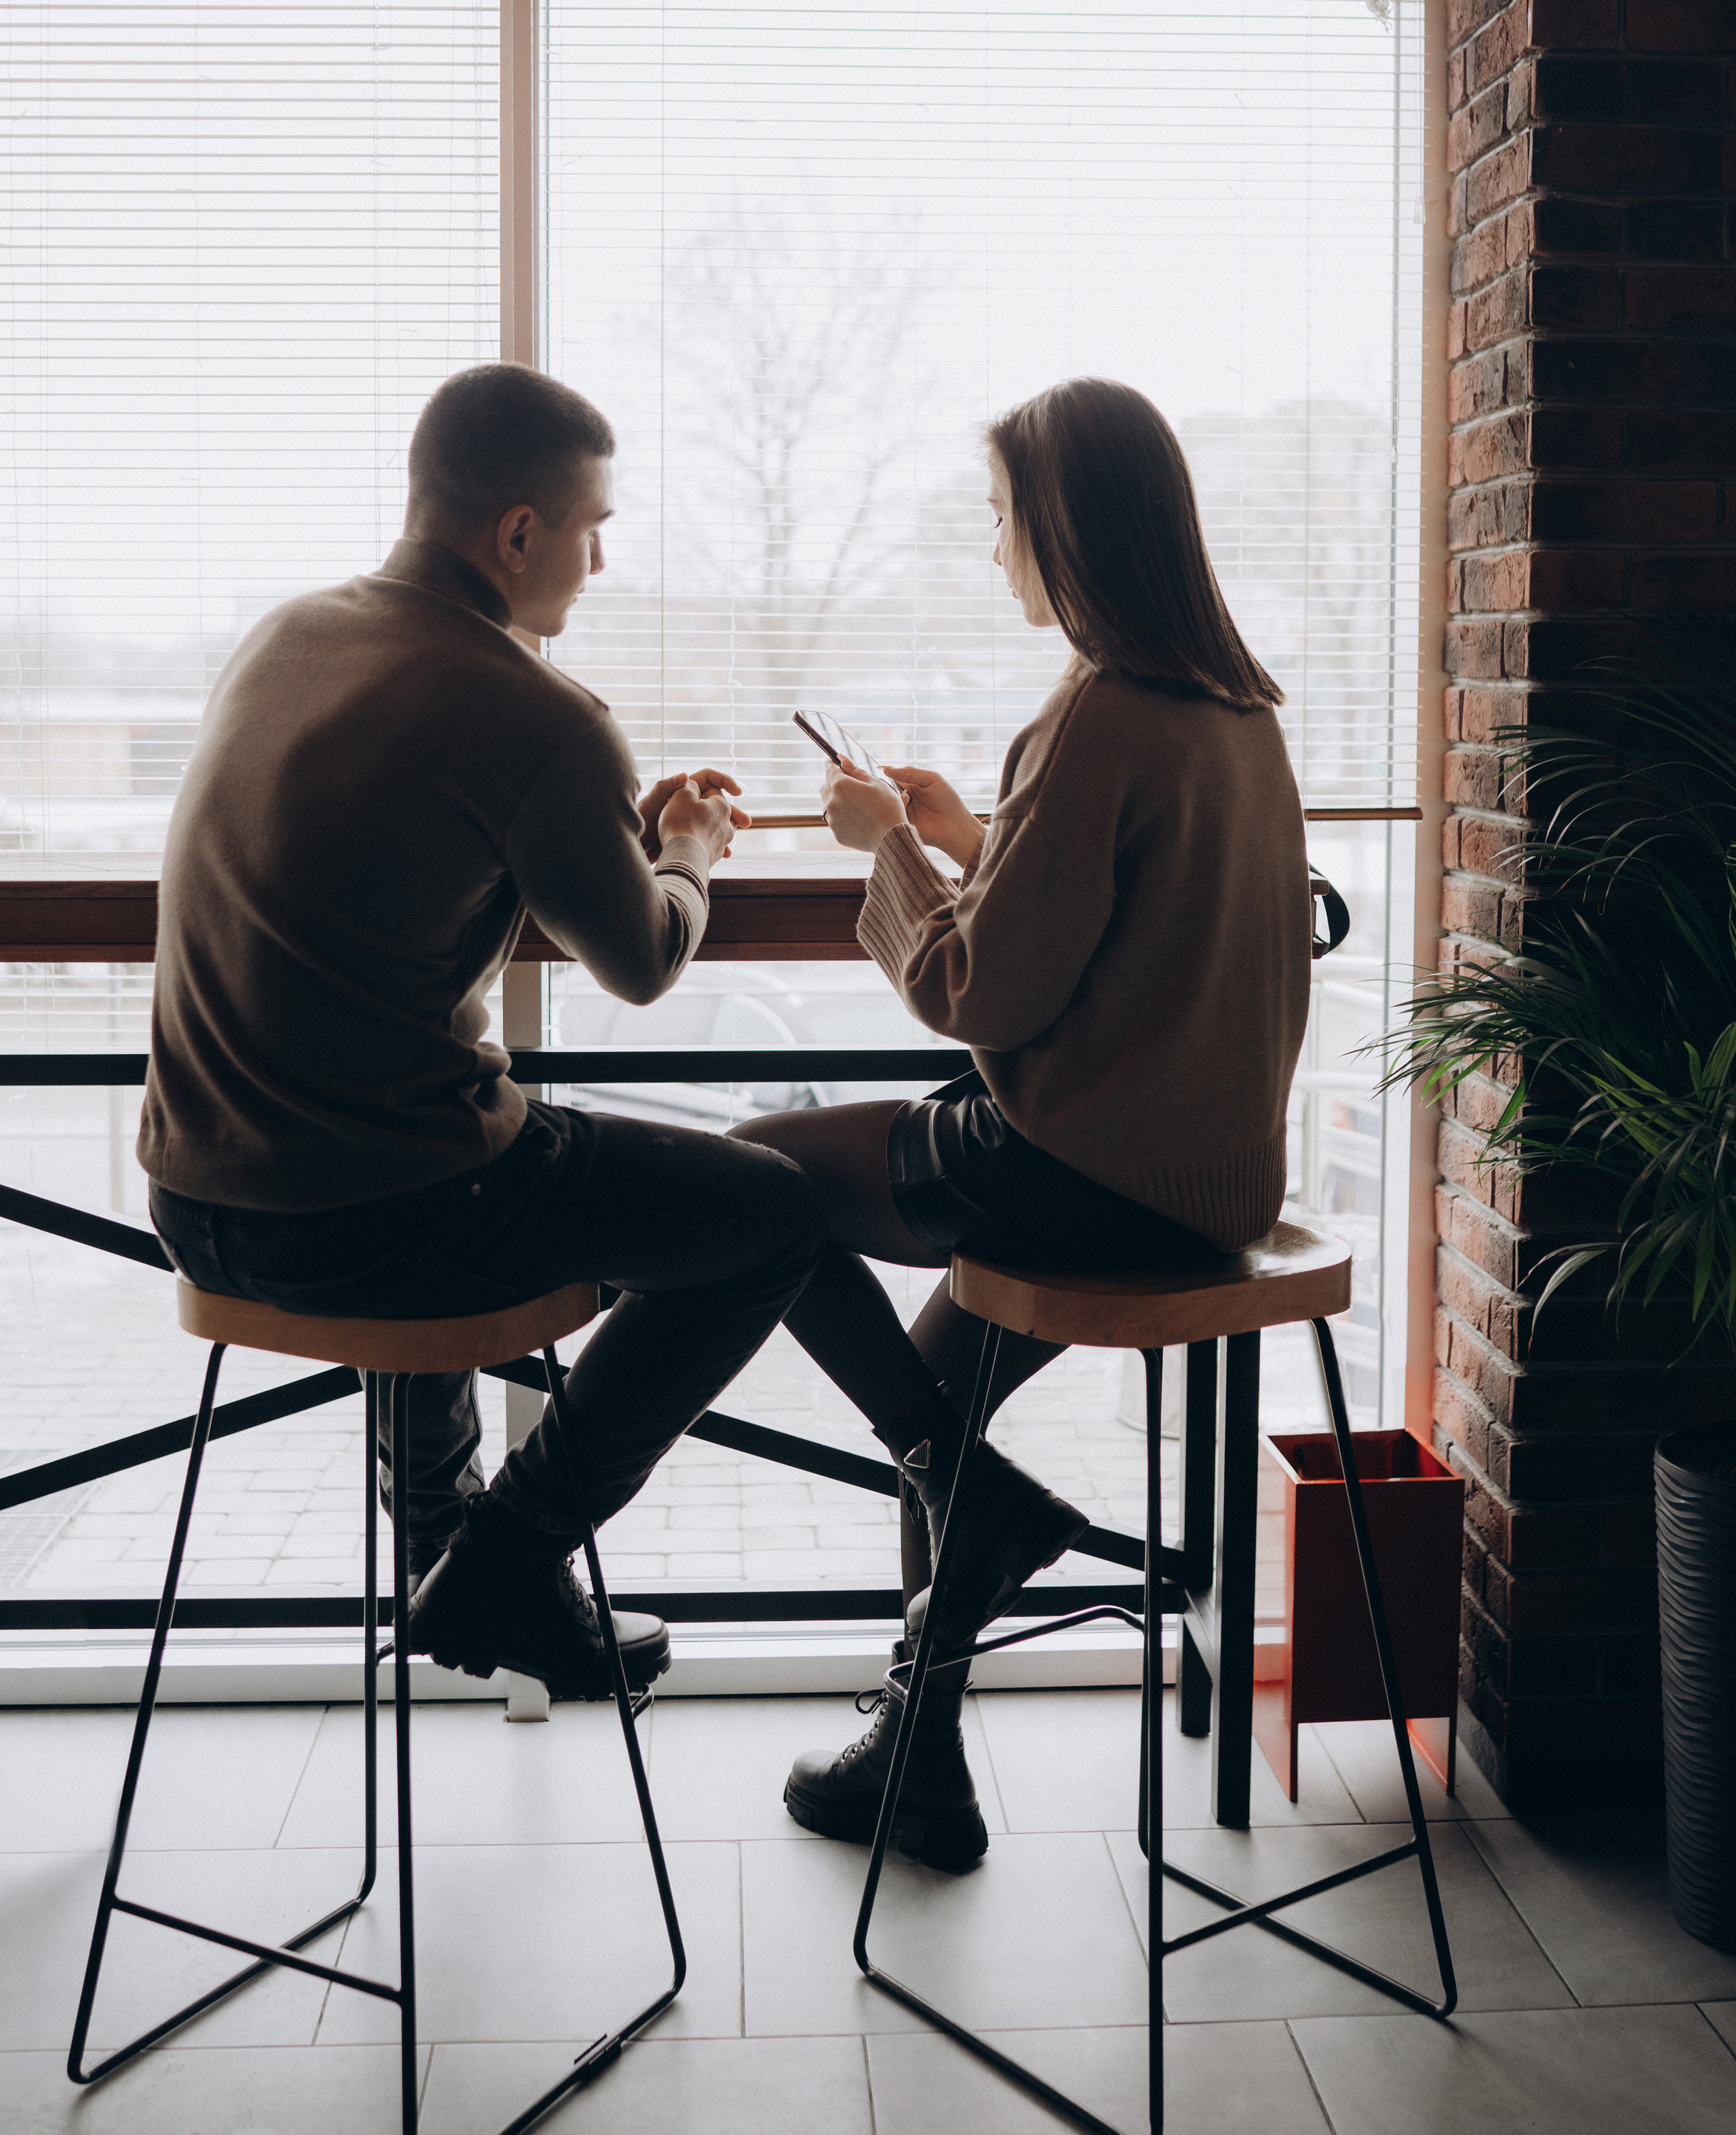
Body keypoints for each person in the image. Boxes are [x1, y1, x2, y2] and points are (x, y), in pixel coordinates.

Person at [141, 362, 827, 1702]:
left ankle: (443, 1553)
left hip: (195, 1195)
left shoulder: (286, 635)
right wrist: (688, 850)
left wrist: (591, 839)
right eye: (593, 528)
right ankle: (507, 1559)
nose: (601, 560)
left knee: (445, 1132)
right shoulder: (538, 712)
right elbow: (638, 961)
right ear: (518, 532)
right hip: (376, 1217)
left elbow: (391, 852)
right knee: (776, 1219)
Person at [731, 376, 1313, 1871]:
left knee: (742, 1184)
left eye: (999, 515)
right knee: (935, 1396)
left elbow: (978, 997)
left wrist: (888, 858)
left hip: (1080, 1171)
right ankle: (916, 1760)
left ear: (1060, 529)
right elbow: (1127, 916)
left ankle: (972, 1538)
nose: (990, 545)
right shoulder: (1234, 710)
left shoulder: (1096, 711)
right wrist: (969, 837)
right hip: (1208, 1182)